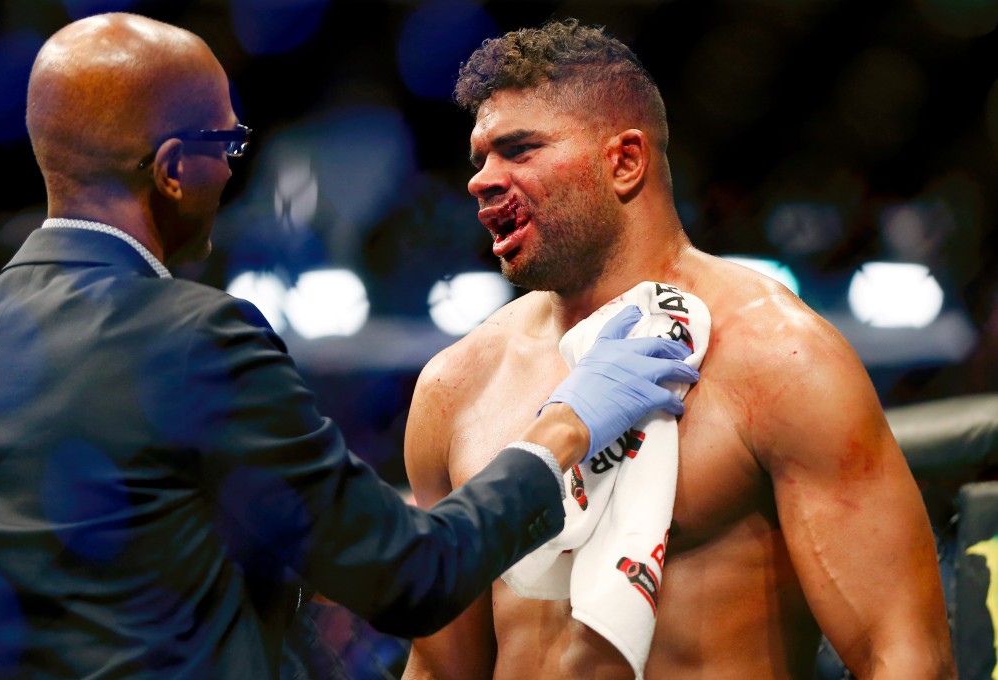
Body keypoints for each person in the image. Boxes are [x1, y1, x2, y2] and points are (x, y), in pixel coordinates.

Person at [0, 13, 699, 679]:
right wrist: (567, 422)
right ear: (172, 169)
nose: (233, 171)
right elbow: (409, 577)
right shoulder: (196, 338)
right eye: (226, 145)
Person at [402, 18, 956, 680]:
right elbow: (439, 669)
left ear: (626, 161)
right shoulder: (457, 386)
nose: (482, 180)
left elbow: (902, 655)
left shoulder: (778, 359)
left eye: (520, 150)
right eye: (480, 158)